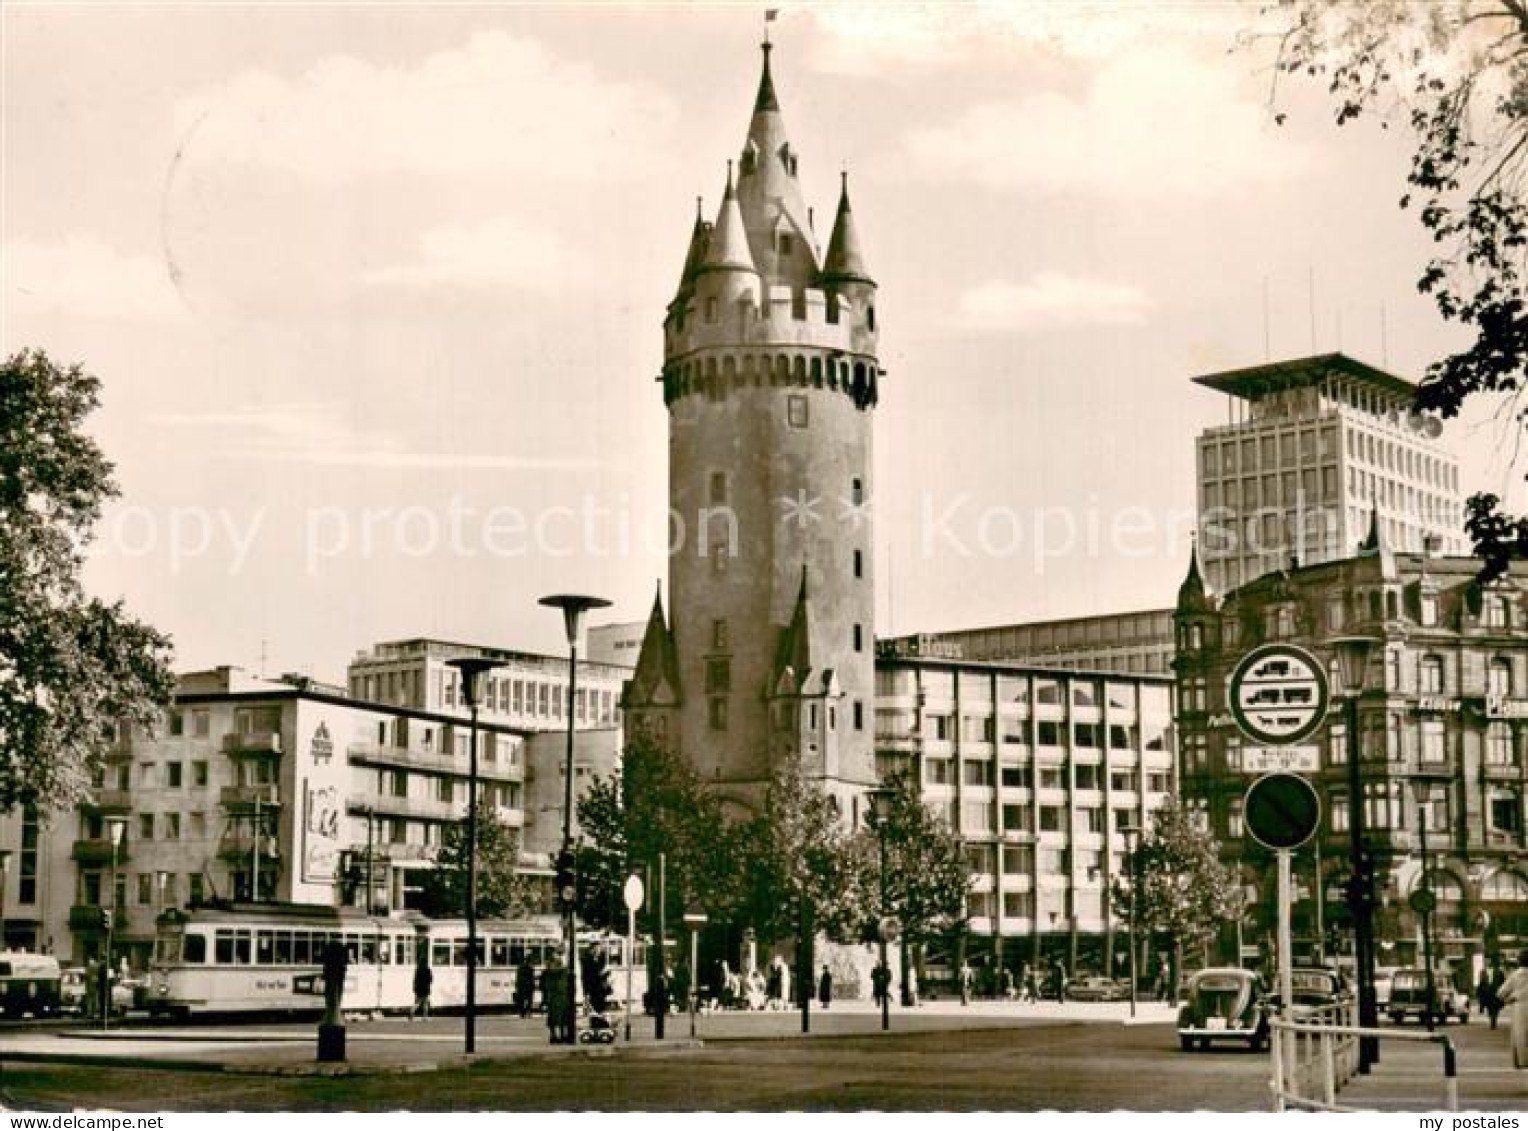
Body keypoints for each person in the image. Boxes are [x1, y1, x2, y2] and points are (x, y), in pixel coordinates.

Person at [1498, 949, 1528, 1068]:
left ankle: (1522, 1061)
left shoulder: (1515, 975)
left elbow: (1500, 993)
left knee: (1520, 1034)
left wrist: (1509, 999)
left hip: (1519, 1008)